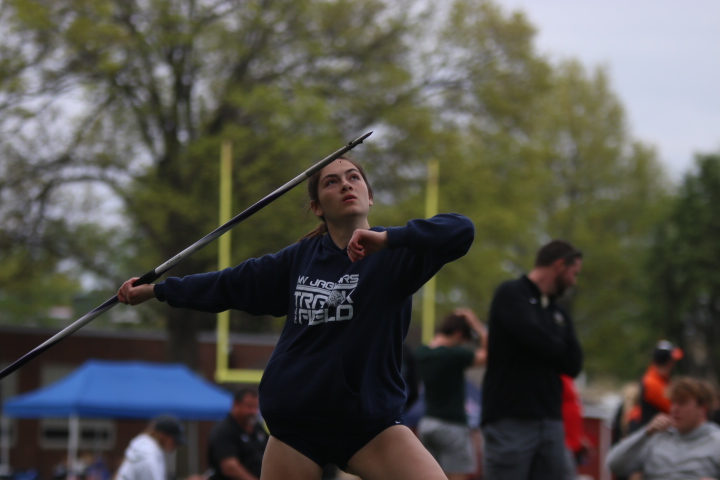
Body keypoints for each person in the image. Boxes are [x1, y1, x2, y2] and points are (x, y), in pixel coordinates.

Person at [118, 155, 475, 480]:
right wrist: (156, 290)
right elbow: (228, 284)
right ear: (318, 207)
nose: (346, 184)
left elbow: (461, 230)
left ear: (370, 196)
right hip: (296, 424)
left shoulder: (399, 254)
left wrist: (389, 239)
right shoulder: (299, 259)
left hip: (369, 423)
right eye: (331, 182)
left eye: (354, 177)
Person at [480, 239, 583, 480]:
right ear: (559, 265)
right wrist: (554, 344)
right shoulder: (511, 293)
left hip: (550, 420)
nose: (573, 281)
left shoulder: (558, 311)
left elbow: (574, 363)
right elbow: (536, 340)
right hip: (510, 418)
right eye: (573, 273)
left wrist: (548, 343)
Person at [415, 308, 487, 480]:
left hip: (427, 424)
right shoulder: (453, 355)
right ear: (458, 333)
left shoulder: (422, 353)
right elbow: (489, 354)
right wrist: (476, 324)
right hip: (452, 427)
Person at [606, 376, 720, 480]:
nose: (674, 409)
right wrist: (646, 432)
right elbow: (614, 465)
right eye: (673, 402)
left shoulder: (716, 441)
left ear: (703, 409)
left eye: (682, 403)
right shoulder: (657, 437)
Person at [208, 388, 268, 480]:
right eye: (249, 407)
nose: (253, 412)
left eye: (255, 407)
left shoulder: (257, 428)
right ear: (236, 405)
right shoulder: (224, 429)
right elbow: (229, 467)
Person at [115, 415, 185, 480]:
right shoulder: (149, 458)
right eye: (174, 441)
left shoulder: (147, 449)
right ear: (162, 435)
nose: (176, 445)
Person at [638, 339, 683, 428]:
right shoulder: (651, 382)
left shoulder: (659, 379)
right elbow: (673, 408)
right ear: (669, 363)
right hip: (654, 436)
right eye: (673, 361)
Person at [561, 375, 591, 480]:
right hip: (562, 444)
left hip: (572, 444)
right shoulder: (555, 375)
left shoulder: (567, 376)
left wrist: (580, 437)